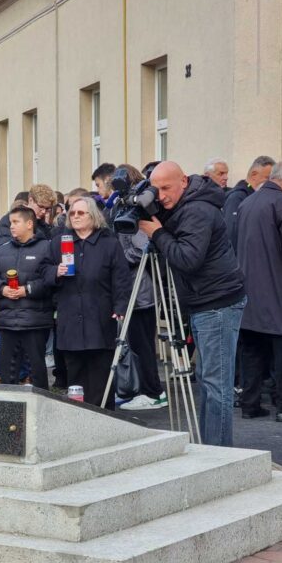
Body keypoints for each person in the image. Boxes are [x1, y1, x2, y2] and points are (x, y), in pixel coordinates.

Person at [139, 161, 246, 447]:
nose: (161, 196)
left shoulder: (197, 210)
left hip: (217, 304)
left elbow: (188, 258)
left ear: (184, 181)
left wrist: (157, 233)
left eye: (166, 188)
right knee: (209, 383)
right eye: (156, 189)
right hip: (205, 302)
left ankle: (218, 456)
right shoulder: (184, 206)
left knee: (215, 386)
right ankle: (209, 449)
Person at [237, 161, 282, 423]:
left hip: (247, 290)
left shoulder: (247, 203)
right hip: (275, 288)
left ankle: (250, 404)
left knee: (251, 351)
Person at [49, 197, 131, 409]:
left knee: (100, 373)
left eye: (80, 213)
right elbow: (43, 272)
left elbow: (121, 279)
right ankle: (78, 418)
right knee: (75, 374)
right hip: (70, 318)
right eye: (72, 213)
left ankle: (103, 416)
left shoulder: (109, 243)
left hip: (99, 317)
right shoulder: (60, 242)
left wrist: (120, 307)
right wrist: (54, 273)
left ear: (93, 216)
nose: (75, 216)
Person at [112, 165, 167, 411]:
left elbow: (142, 247)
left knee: (142, 344)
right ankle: (143, 389)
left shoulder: (138, 212)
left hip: (140, 291)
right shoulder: (122, 207)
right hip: (131, 288)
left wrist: (116, 259)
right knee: (136, 344)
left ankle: (153, 392)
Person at [0, 206, 53, 389]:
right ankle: (8, 413)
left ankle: (41, 412)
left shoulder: (47, 248)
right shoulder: (2, 249)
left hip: (34, 321)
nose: (11, 226)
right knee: (7, 375)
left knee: (37, 374)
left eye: (16, 222)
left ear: (30, 224)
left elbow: (50, 280)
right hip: (7, 321)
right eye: (10, 223)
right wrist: (1, 288)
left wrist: (27, 290)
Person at [223, 156, 275, 250]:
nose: (271, 183)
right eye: (268, 178)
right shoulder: (237, 197)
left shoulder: (255, 197)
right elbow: (231, 234)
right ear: (254, 174)